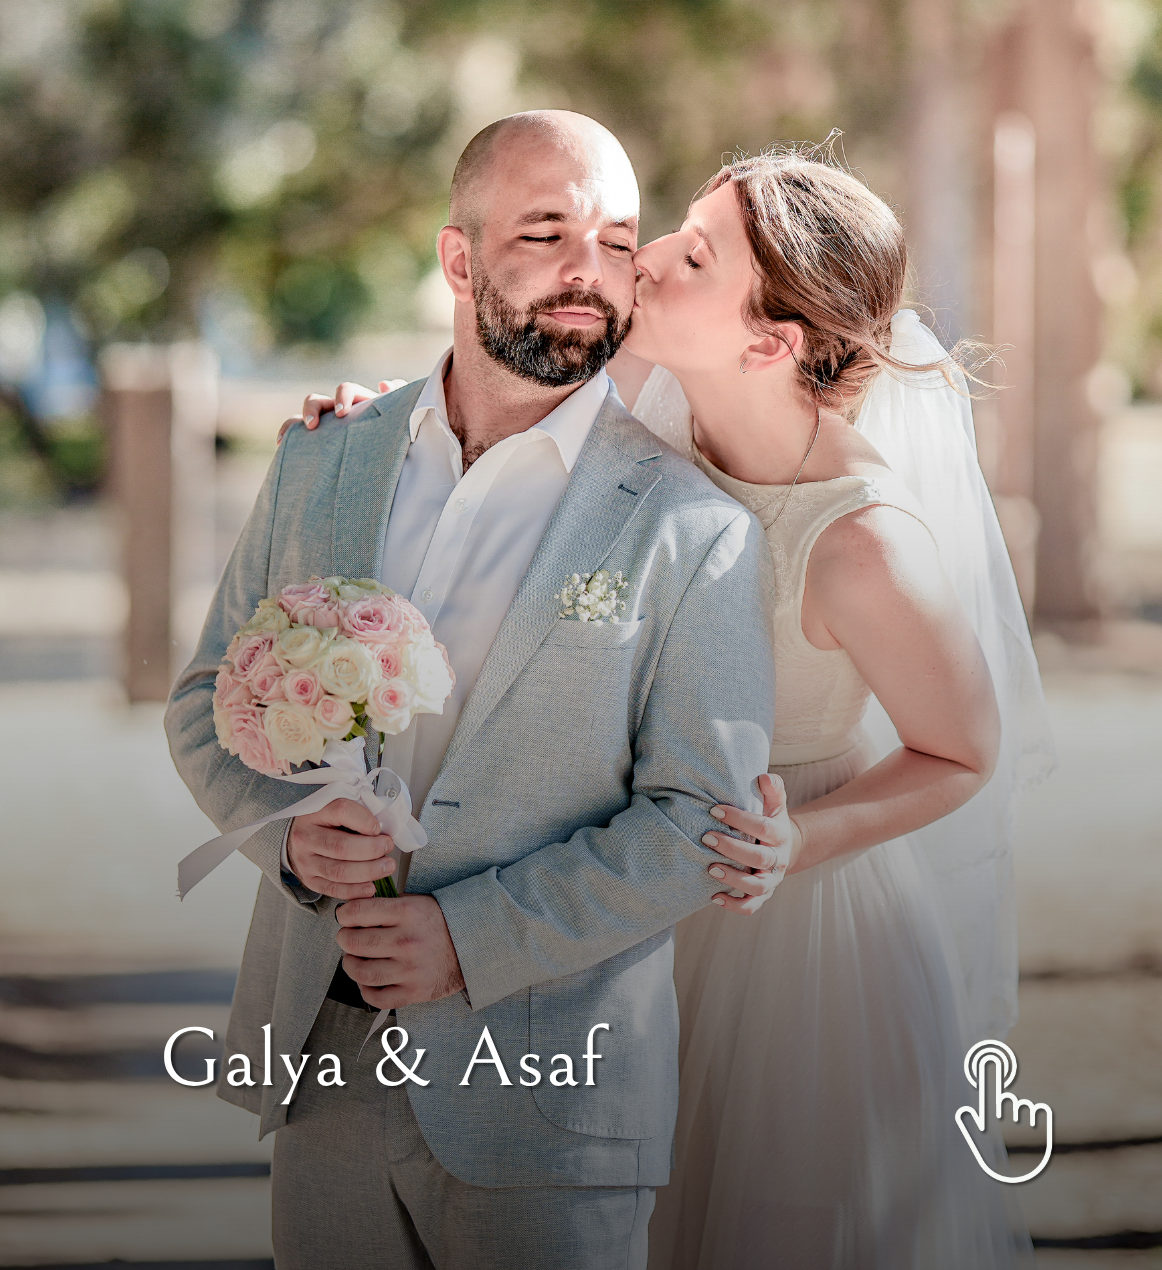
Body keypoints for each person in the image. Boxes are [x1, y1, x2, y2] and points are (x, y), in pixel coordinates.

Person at [299, 143, 1051, 1267]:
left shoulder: (862, 544)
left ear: (768, 339)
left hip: (785, 923)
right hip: (617, 877)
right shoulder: (645, 391)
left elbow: (961, 749)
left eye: (692, 253)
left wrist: (795, 840)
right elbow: (495, 398)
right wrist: (383, 427)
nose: (642, 259)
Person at [168, 110, 782, 1270]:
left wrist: (468, 938)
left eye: (614, 241)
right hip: (322, 1059)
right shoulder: (323, 455)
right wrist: (291, 840)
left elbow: (697, 817)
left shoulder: (692, 530)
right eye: (544, 233)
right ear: (457, 259)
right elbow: (207, 694)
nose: (584, 273)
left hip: (547, 1097)